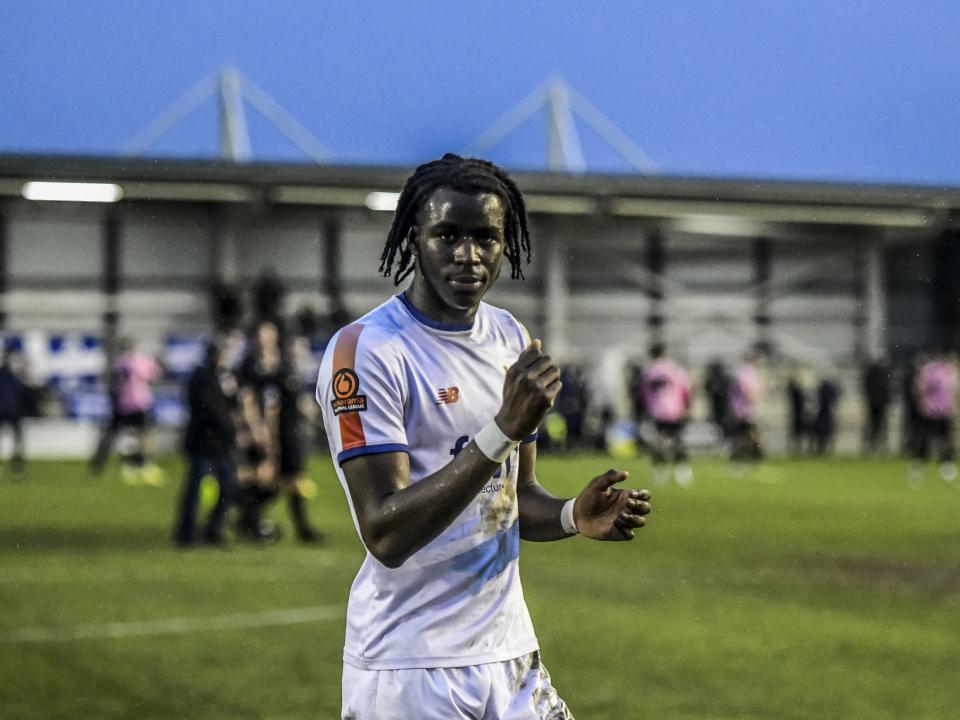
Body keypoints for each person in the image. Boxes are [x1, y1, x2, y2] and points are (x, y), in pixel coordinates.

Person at [316, 154, 652, 719]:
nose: (468, 255)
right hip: (411, 668)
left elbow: (512, 498)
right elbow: (385, 533)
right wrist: (500, 431)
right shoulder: (369, 351)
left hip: (510, 655)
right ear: (413, 239)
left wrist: (573, 514)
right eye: (447, 235)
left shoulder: (509, 336)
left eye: (486, 238)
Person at [236, 320, 321, 542]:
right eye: (263, 335)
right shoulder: (251, 366)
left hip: (289, 431)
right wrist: (259, 430)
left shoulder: (284, 365)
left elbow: (295, 397)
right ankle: (249, 519)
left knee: (293, 480)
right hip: (270, 431)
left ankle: (301, 528)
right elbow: (252, 401)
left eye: (270, 335)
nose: (267, 340)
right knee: (268, 479)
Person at [174, 340, 239, 547]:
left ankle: (210, 530)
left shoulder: (219, 377)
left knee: (226, 487)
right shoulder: (204, 377)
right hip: (205, 441)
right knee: (197, 488)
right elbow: (211, 410)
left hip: (216, 442)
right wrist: (229, 430)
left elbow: (228, 403)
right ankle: (188, 533)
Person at [89, 337, 164, 485]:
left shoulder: (118, 362)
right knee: (145, 435)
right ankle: (143, 464)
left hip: (121, 403)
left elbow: (112, 379)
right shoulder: (139, 360)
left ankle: (98, 464)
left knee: (112, 435)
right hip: (138, 402)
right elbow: (156, 373)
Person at [641, 343, 693, 485]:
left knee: (659, 441)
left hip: (658, 411)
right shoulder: (676, 369)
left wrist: (649, 408)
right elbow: (686, 389)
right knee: (678, 441)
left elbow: (645, 394)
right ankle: (682, 472)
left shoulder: (649, 371)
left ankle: (660, 472)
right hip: (676, 410)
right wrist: (687, 406)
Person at [909, 349, 959, 485]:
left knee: (946, 440)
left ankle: (946, 467)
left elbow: (954, 393)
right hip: (931, 410)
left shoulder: (951, 371)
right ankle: (917, 465)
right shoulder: (932, 370)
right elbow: (920, 388)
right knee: (926, 439)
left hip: (945, 411)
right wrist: (922, 403)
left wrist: (954, 409)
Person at [730, 350, 763, 462]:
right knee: (748, 433)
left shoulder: (749, 371)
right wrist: (752, 398)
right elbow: (745, 388)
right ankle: (754, 454)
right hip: (743, 409)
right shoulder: (745, 371)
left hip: (745, 408)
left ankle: (749, 454)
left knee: (746, 433)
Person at [0, 347, 27, 477]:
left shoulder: (9, 375)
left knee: (17, 438)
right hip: (11, 410)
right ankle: (17, 467)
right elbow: (20, 391)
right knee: (18, 438)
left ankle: (17, 465)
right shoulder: (12, 376)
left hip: (9, 410)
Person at [862, 356, 891, 454]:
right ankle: (873, 445)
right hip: (876, 403)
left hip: (876, 402)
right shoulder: (878, 373)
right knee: (875, 425)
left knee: (877, 425)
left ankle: (875, 445)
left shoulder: (874, 373)